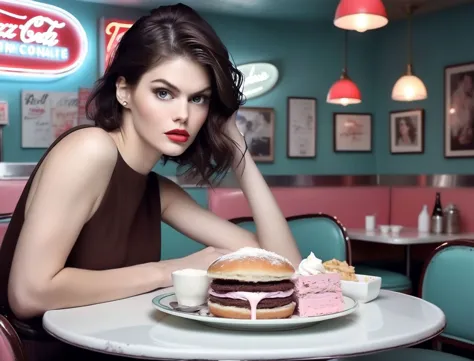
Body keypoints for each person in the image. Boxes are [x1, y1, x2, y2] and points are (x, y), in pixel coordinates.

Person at [0, 3, 302, 361]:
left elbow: (286, 266)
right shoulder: (89, 149)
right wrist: (171, 270)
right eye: (163, 92)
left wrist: (238, 147)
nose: (183, 114)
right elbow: (29, 294)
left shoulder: (156, 190)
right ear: (124, 91)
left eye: (198, 98)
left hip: (112, 348)